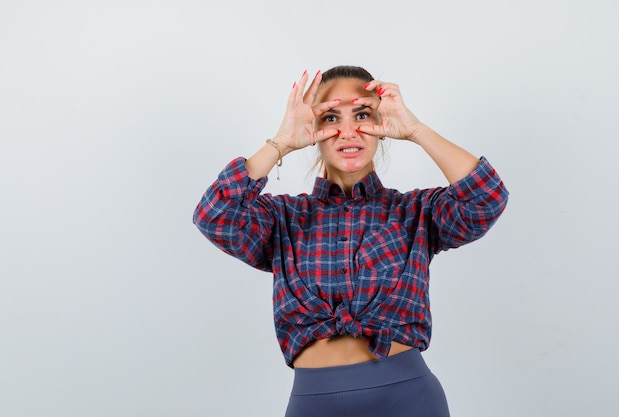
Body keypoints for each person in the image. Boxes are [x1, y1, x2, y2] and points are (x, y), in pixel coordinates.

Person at [193, 65, 509, 417]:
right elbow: (214, 215)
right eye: (330, 118)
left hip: (409, 399)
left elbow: (486, 198)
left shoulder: (415, 212)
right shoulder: (281, 218)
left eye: (362, 115)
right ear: (313, 129)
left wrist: (416, 129)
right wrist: (281, 142)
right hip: (314, 403)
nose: (348, 132)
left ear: (381, 126)